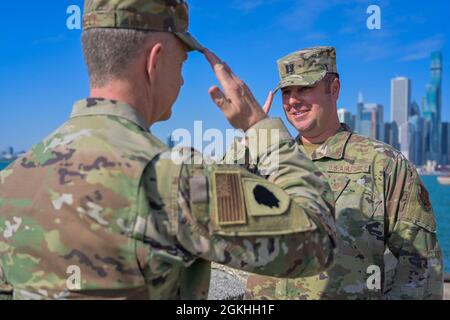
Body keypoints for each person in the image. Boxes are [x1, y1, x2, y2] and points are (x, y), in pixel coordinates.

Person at [0, 2, 337, 300]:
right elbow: (317, 240)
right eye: (181, 63)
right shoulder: (175, 178)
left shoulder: (12, 180)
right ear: (155, 60)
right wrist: (259, 128)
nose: (182, 81)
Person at [245, 46, 443, 300]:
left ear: (334, 89)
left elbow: (420, 264)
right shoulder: (265, 159)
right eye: (286, 92)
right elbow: (214, 217)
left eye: (304, 88)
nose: (293, 101)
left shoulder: (382, 163)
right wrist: (251, 137)